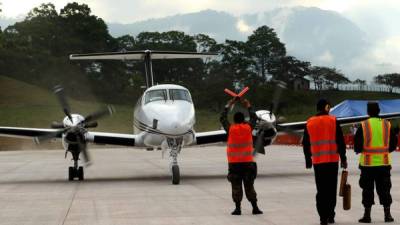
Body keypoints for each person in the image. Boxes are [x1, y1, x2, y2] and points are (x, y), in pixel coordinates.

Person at [303, 99, 347, 225]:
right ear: (327, 107)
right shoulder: (333, 120)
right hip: (332, 161)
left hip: (318, 162)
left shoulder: (309, 122)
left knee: (321, 190)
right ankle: (330, 215)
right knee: (331, 189)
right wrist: (343, 158)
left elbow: (305, 143)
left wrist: (308, 159)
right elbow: (340, 141)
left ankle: (323, 217)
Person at [354, 102, 397, 223]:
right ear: (379, 111)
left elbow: (357, 146)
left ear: (368, 112)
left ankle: (367, 216)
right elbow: (393, 144)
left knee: (367, 190)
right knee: (385, 189)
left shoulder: (364, 125)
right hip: (384, 164)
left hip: (368, 165)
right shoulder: (387, 124)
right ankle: (387, 215)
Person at [220, 97, 263, 215]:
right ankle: (255, 207)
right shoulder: (248, 128)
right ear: (244, 120)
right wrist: (248, 105)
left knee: (236, 186)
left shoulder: (231, 129)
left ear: (234, 120)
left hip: (234, 164)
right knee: (249, 185)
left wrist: (228, 105)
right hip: (247, 162)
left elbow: (222, 118)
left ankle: (238, 208)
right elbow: (254, 118)